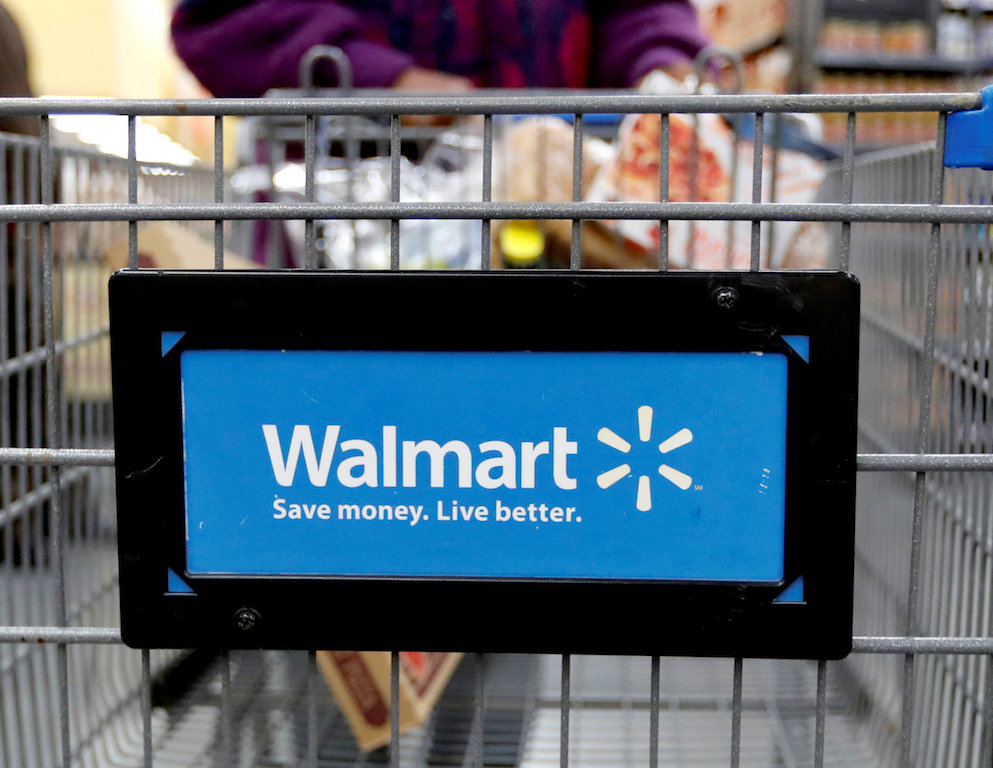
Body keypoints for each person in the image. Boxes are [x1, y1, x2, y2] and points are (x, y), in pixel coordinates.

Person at [170, 0, 710, 97]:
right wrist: (384, 80)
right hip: (345, 227)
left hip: (555, 224)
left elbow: (637, 9)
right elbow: (222, 18)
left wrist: (662, 63)